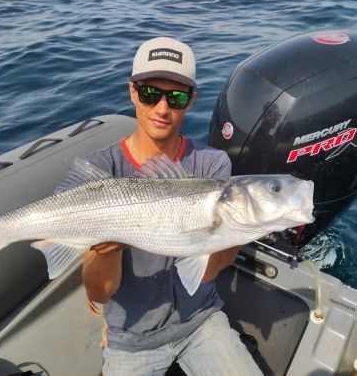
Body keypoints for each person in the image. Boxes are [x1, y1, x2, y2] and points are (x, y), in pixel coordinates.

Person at [74, 37, 262, 375]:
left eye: (175, 97)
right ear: (132, 92)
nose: (162, 109)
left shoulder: (212, 165)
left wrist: (235, 226)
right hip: (132, 337)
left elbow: (210, 270)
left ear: (191, 101)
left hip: (201, 320)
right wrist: (107, 249)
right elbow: (99, 293)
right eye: (150, 94)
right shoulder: (102, 171)